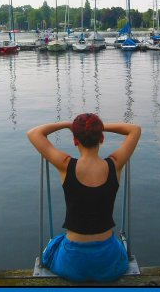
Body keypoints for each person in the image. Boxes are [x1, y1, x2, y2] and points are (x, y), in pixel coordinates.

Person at [27, 113, 141, 282]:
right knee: (119, 245)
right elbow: (135, 129)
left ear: (75, 140)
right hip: (108, 262)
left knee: (55, 244)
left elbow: (33, 133)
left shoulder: (66, 165)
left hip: (72, 262)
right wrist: (99, 127)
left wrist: (68, 124)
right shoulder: (115, 164)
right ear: (101, 138)